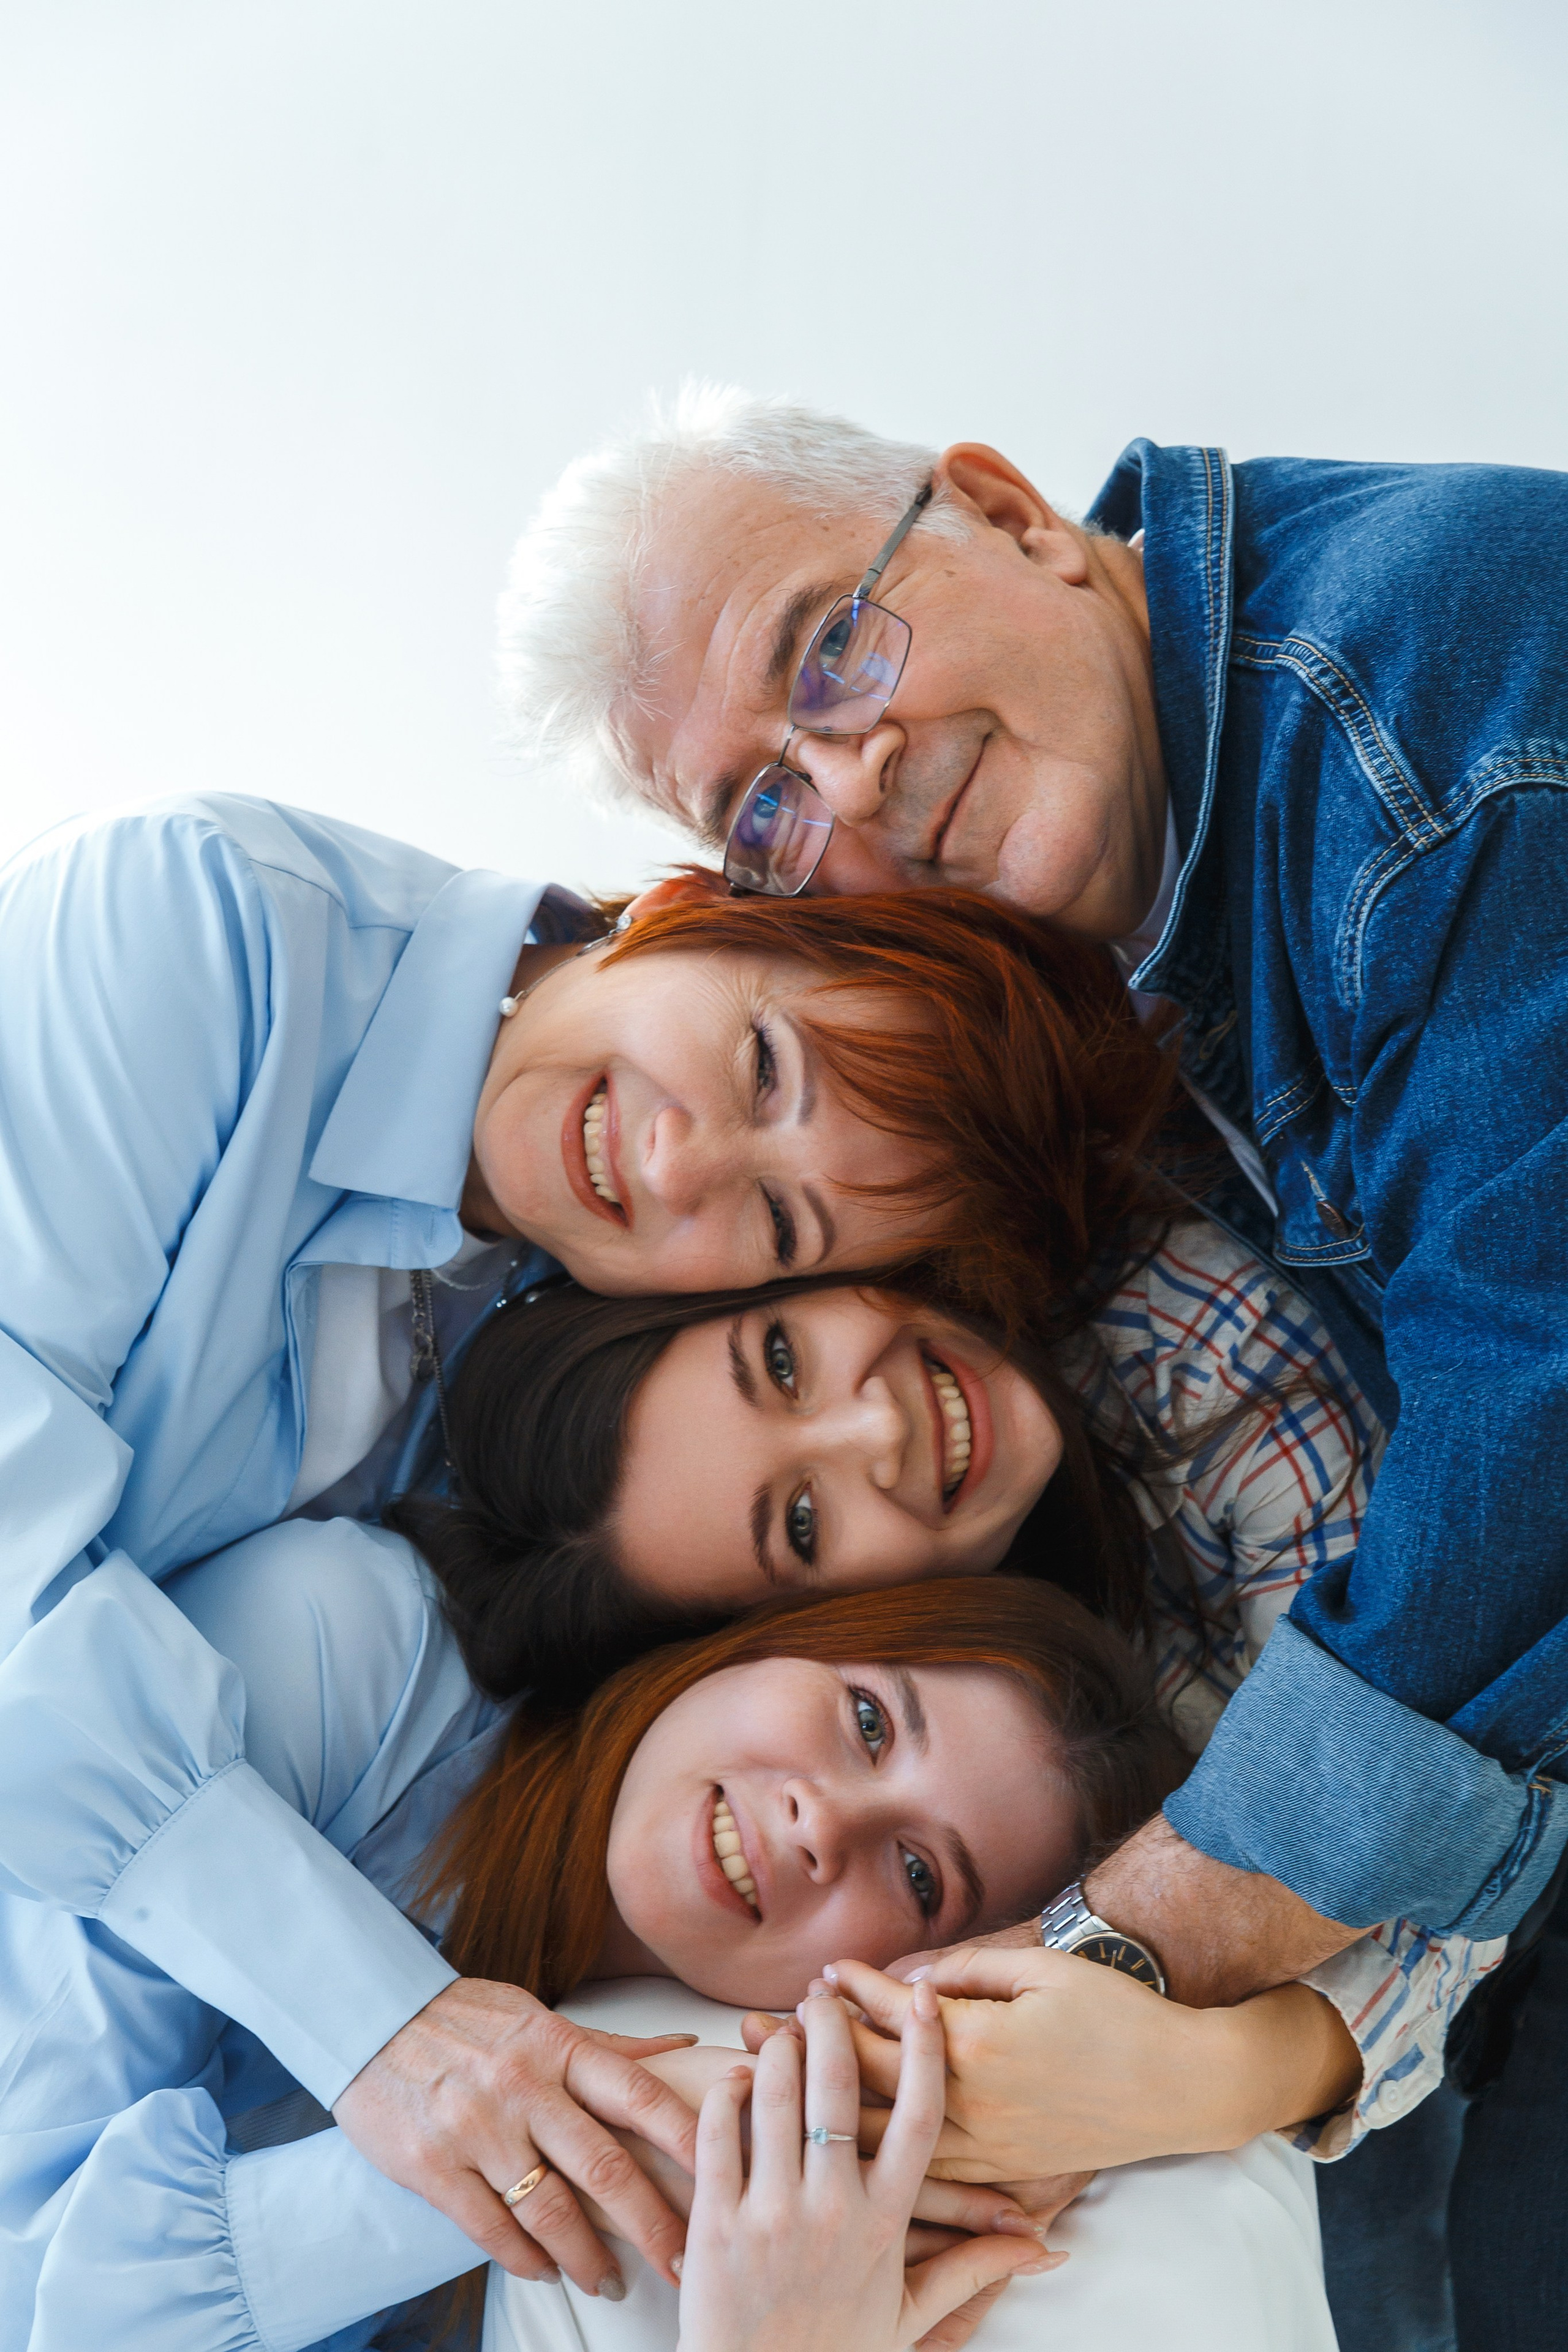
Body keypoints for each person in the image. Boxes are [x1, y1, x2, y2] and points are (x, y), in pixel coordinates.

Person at [499, 387, 1568, 2343]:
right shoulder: (1098, 982)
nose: (850, 776)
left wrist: (1146, 1984)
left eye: (830, 647)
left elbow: (1542, 1410)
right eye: (761, 808)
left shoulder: (1417, 728)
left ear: (1008, 512)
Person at [0, 791, 1175, 2290]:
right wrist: (403, 2040)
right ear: (714, 904)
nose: (679, 1161)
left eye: (781, 1231)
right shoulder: (204, 930)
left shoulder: (526, 1360)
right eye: (762, 1058)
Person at [2, 1521, 1346, 2351]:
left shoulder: (757, 2145)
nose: (825, 1822)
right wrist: (587, 2125)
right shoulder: (358, 1658)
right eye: (869, 1721)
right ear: (779, 1640)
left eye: (922, 1876)